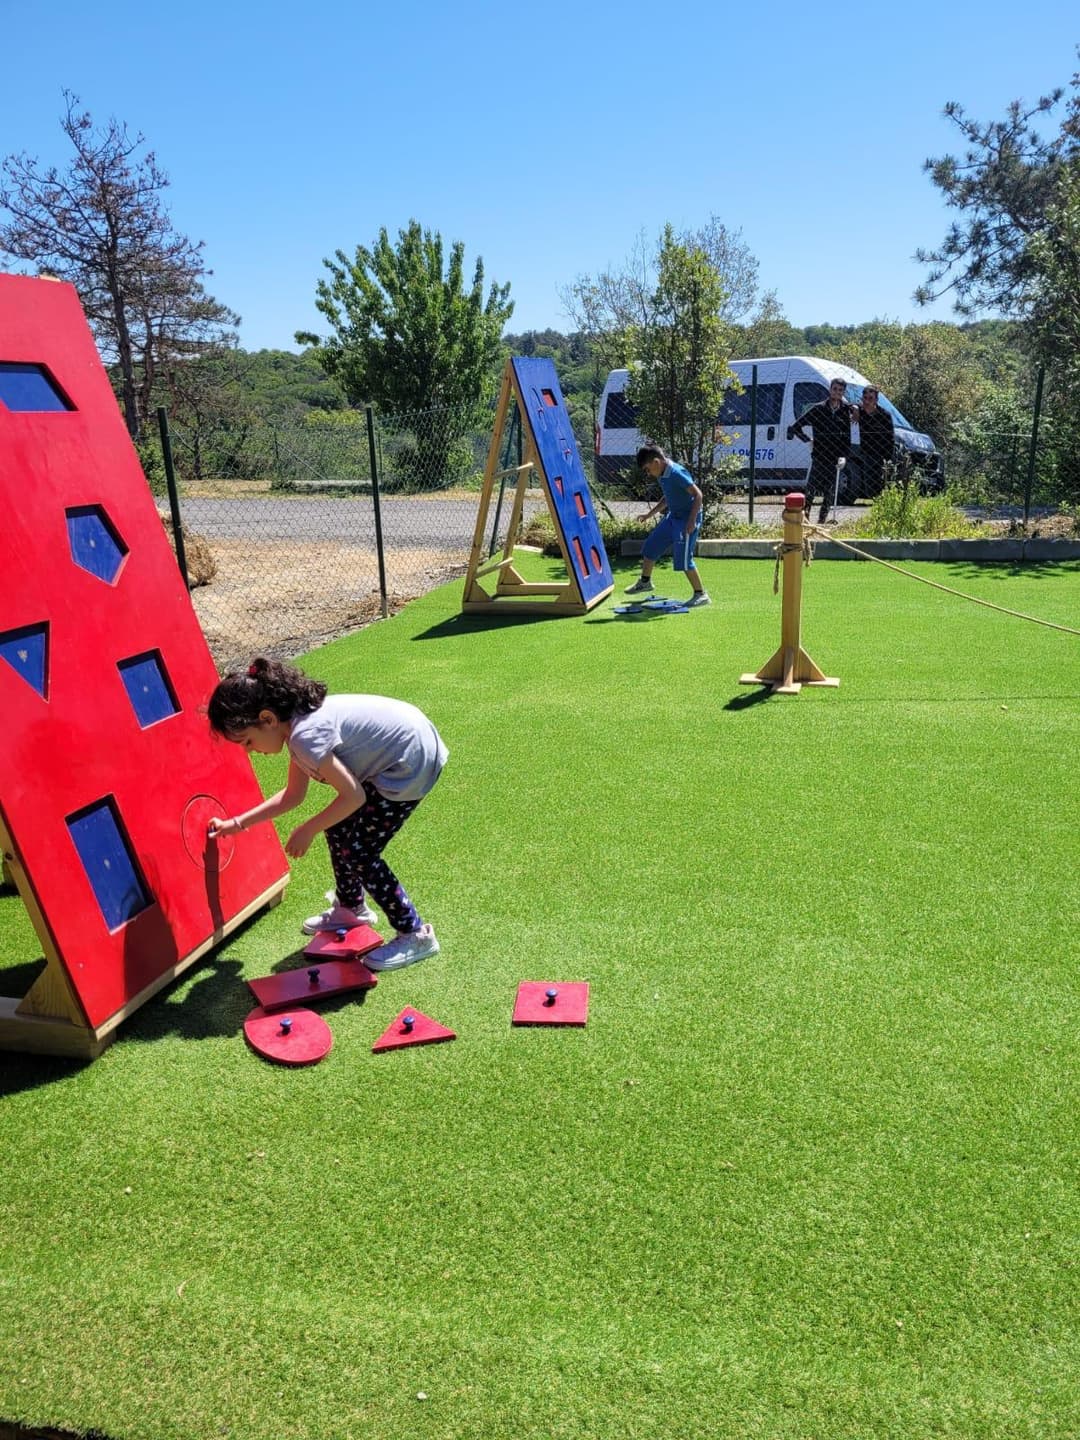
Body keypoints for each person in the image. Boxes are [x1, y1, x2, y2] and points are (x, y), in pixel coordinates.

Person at [206, 658, 447, 971]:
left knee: (360, 852)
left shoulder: (305, 736)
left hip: (410, 763)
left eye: (247, 741)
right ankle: (351, 908)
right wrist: (236, 824)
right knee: (339, 830)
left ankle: (415, 933)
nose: (250, 751)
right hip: (403, 750)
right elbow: (293, 796)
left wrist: (308, 828)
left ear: (267, 718)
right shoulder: (296, 727)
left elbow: (353, 796)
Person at [624, 444, 710, 607]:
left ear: (656, 462)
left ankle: (701, 594)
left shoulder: (676, 473)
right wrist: (649, 515)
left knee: (683, 559)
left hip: (687, 519)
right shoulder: (662, 473)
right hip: (673, 517)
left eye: (648, 469)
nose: (648, 473)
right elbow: (668, 497)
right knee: (651, 546)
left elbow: (698, 495)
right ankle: (645, 582)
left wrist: (691, 520)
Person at [787, 377, 852, 523]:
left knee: (829, 493)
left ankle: (821, 523)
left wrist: (844, 456)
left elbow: (847, 436)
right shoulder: (818, 409)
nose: (837, 392)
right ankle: (806, 520)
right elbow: (795, 427)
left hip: (835, 458)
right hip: (819, 456)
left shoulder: (845, 411)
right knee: (810, 492)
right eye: (835, 389)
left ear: (843, 392)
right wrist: (808, 440)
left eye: (840, 390)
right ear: (830, 390)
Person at [853, 384, 895, 498]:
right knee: (870, 487)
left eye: (870, 398)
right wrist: (855, 408)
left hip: (882, 454)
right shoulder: (859, 412)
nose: (867, 401)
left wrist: (888, 457)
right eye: (865, 398)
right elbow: (844, 405)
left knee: (883, 483)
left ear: (876, 400)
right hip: (866, 453)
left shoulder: (884, 415)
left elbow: (890, 437)